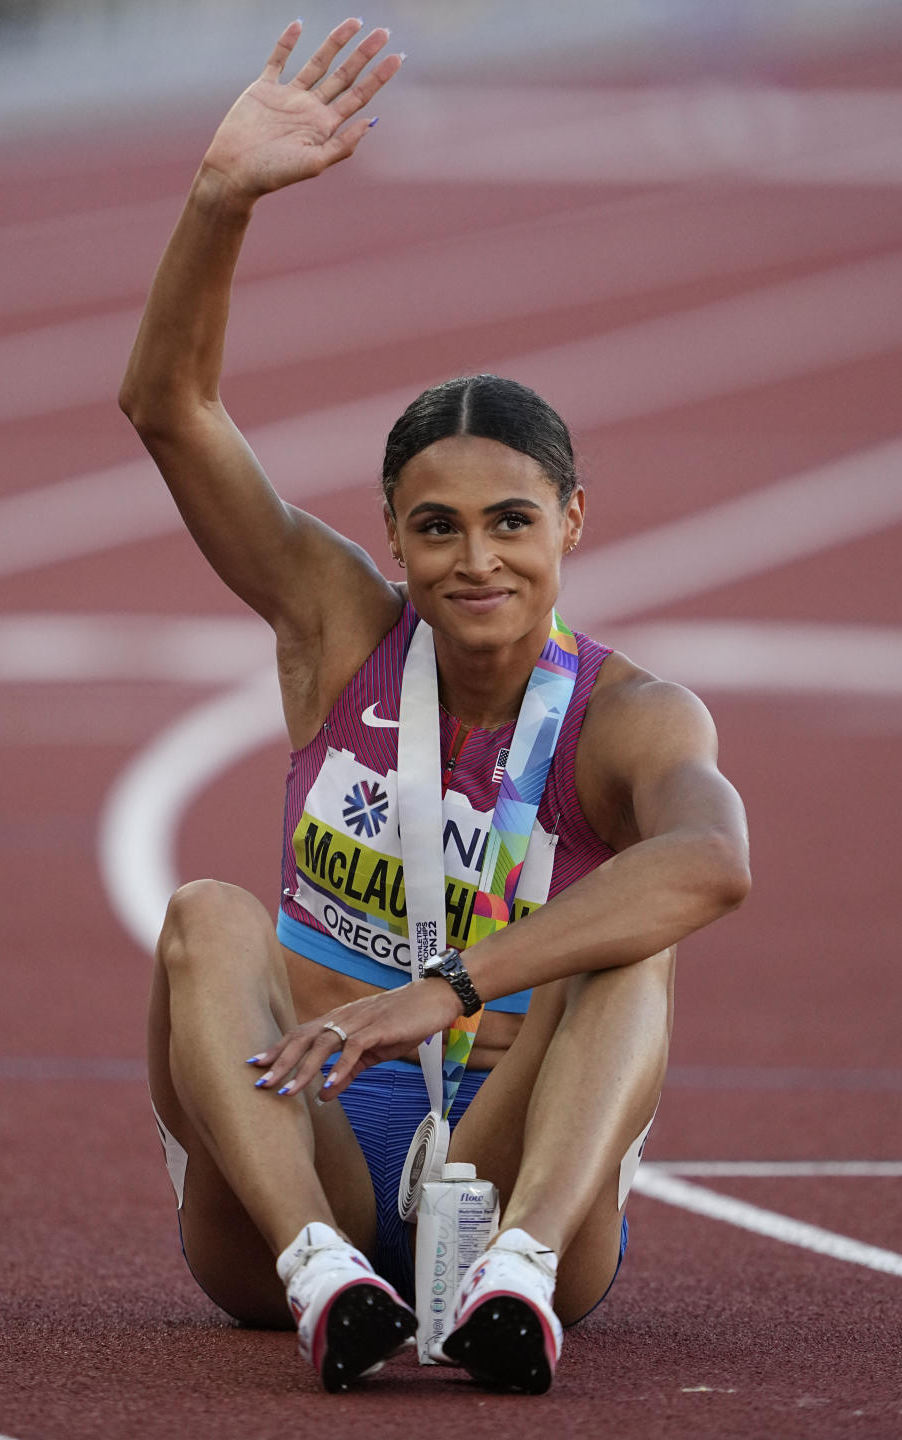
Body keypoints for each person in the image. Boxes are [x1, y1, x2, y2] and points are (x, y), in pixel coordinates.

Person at [120, 17, 750, 1396]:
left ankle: (515, 1284)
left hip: (509, 1145)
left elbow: (713, 863)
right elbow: (168, 406)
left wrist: (444, 992)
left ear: (573, 522)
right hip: (310, 1136)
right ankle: (322, 1282)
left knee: (630, 945)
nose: (478, 561)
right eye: (439, 528)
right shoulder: (337, 628)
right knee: (206, 917)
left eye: (512, 522)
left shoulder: (631, 717)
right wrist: (220, 199)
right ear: (390, 540)